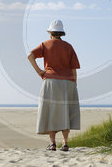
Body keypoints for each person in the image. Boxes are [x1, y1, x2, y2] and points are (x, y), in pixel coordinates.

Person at [27, 19, 81, 151]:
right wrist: (74, 83)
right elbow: (74, 68)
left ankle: (52, 144)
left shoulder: (45, 44)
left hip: (50, 81)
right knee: (65, 112)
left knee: (51, 111)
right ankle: (65, 143)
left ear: (50, 32)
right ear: (61, 33)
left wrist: (40, 72)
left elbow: (30, 56)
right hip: (68, 82)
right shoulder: (69, 47)